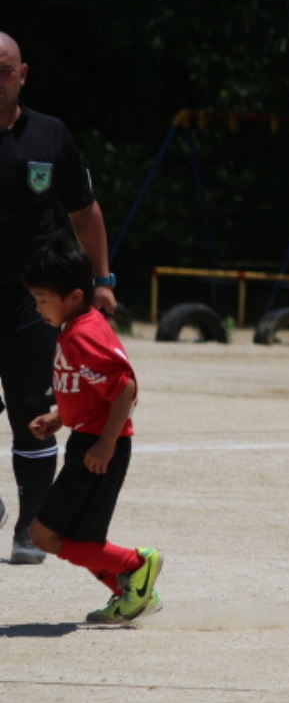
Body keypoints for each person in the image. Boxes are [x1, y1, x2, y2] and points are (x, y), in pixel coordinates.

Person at [0, 31, 118, 565]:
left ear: (23, 74)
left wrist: (102, 281)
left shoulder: (51, 136)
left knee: (32, 410)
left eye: (5, 70)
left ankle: (30, 527)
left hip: (35, 301)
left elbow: (84, 210)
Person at [23, 234, 162, 623]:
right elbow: (92, 390)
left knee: (44, 535)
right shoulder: (79, 325)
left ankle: (138, 564)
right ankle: (133, 593)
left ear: (74, 296)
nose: (37, 309)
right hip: (88, 440)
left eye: (42, 300)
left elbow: (125, 388)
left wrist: (105, 444)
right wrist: (60, 416)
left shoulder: (82, 335)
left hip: (97, 449)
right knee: (77, 538)